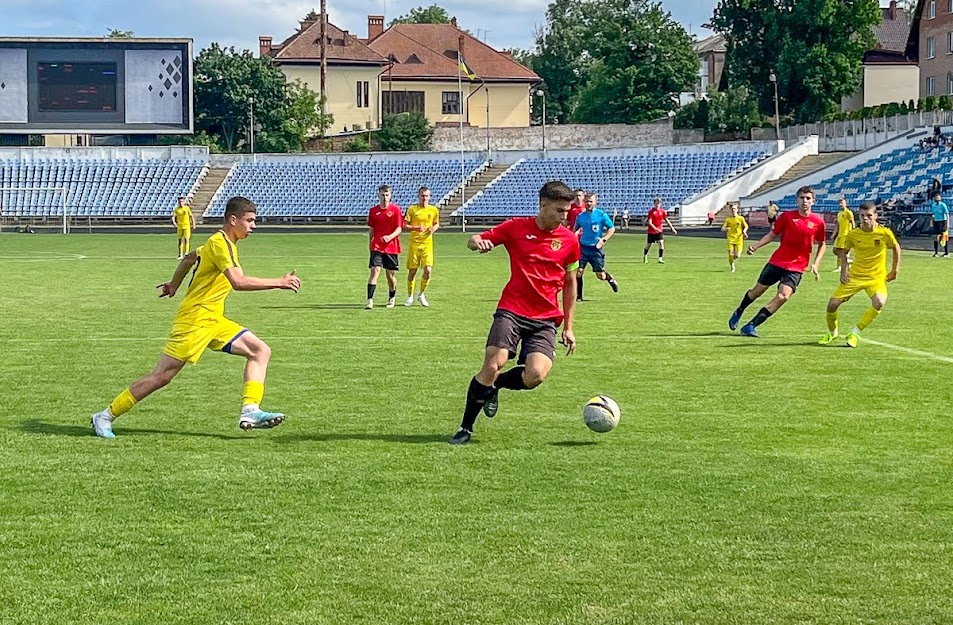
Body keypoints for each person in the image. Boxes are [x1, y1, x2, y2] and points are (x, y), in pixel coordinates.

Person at [89, 196, 301, 439]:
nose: (254, 226)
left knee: (260, 350)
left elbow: (190, 258)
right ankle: (104, 416)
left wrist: (174, 285)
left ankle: (250, 410)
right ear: (233, 220)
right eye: (250, 221)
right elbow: (238, 282)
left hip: (213, 320)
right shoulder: (221, 244)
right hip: (196, 319)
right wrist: (279, 282)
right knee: (163, 376)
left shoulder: (220, 242)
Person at [448, 181, 581, 445]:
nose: (565, 216)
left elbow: (570, 283)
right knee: (493, 362)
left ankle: (495, 386)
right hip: (512, 310)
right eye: (559, 210)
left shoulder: (569, 241)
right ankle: (466, 428)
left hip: (545, 319)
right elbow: (474, 240)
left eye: (567, 211)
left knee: (536, 375)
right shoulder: (516, 227)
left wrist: (568, 326)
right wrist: (476, 242)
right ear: (542, 205)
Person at [728, 186, 826, 338]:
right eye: (802, 198)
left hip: (797, 267)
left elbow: (822, 243)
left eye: (808, 198)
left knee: (783, 296)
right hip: (778, 262)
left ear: (813, 201)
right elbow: (772, 235)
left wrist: (816, 264)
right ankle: (739, 310)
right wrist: (756, 246)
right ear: (797, 200)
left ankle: (751, 326)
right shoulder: (787, 217)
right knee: (757, 292)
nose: (804, 201)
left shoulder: (818, 222)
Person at [819, 201, 900, 348]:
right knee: (832, 305)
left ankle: (855, 333)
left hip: (876, 278)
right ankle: (832, 333)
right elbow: (844, 252)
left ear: (875, 216)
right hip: (855, 276)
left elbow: (896, 248)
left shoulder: (884, 233)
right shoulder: (853, 234)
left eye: (869, 215)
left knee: (879, 302)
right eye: (862, 215)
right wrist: (843, 272)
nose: (865, 218)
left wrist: (895, 270)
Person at [574, 193, 619, 300]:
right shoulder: (580, 216)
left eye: (591, 201)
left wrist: (603, 239)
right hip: (583, 248)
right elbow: (575, 230)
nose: (589, 203)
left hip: (596, 249)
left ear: (595, 202)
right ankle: (578, 296)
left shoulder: (601, 215)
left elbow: (611, 228)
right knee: (579, 272)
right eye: (587, 201)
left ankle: (610, 279)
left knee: (600, 276)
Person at [366, 184, 403, 309]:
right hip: (377, 246)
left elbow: (399, 228)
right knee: (375, 271)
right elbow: (372, 228)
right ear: (378, 195)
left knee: (390, 275)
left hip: (391, 247)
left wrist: (390, 237)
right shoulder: (373, 211)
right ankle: (370, 300)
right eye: (382, 195)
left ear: (390, 195)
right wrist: (370, 243)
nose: (385, 197)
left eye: (387, 195)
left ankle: (392, 297)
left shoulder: (396, 210)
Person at [403, 186, 440, 307]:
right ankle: (410, 296)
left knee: (428, 271)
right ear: (418, 196)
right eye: (422, 196)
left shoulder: (433, 210)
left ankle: (421, 294)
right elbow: (405, 225)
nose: (424, 198)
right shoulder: (412, 209)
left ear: (429, 197)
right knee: (412, 272)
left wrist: (432, 229)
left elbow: (436, 223)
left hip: (427, 245)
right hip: (414, 244)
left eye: (426, 196)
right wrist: (416, 228)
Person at [643, 197, 678, 264]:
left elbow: (667, 220)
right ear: (654, 204)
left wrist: (672, 228)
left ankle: (660, 258)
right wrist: (654, 228)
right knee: (649, 245)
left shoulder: (662, 212)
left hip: (659, 230)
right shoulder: (651, 212)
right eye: (656, 203)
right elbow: (649, 222)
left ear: (660, 204)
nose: (657, 205)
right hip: (651, 231)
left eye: (658, 203)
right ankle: (645, 255)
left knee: (661, 243)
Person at [721, 202, 748, 272]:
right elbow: (722, 228)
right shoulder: (728, 219)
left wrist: (744, 232)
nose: (733, 210)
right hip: (730, 238)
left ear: (737, 209)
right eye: (732, 209)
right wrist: (726, 229)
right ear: (730, 210)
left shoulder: (741, 218)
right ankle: (732, 266)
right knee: (730, 254)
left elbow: (746, 226)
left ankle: (733, 259)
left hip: (739, 238)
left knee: (737, 255)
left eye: (735, 209)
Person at [831, 198, 855, 271]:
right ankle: (848, 261)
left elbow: (852, 222)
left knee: (842, 250)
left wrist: (853, 233)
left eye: (842, 203)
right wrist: (834, 234)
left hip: (846, 234)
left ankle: (840, 267)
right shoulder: (839, 213)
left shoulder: (848, 212)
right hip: (840, 235)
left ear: (845, 204)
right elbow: (837, 225)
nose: (841, 204)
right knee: (835, 250)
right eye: (839, 203)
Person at [930, 192, 949, 257]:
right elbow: (933, 214)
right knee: (935, 237)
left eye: (938, 197)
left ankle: (946, 253)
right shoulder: (933, 205)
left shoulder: (943, 205)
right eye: (936, 197)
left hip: (942, 221)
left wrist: (947, 223)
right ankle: (936, 253)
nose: (937, 198)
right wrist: (931, 222)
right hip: (936, 222)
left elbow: (947, 214)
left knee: (943, 237)